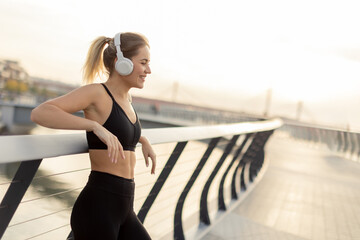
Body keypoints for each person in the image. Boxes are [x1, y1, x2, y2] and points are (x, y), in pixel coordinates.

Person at [31, 32, 156, 240]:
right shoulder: (96, 93)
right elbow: (41, 113)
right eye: (143, 63)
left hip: (125, 208)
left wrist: (141, 139)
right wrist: (93, 126)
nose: (148, 70)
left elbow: (119, 128)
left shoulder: (127, 98)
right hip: (98, 208)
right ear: (121, 62)